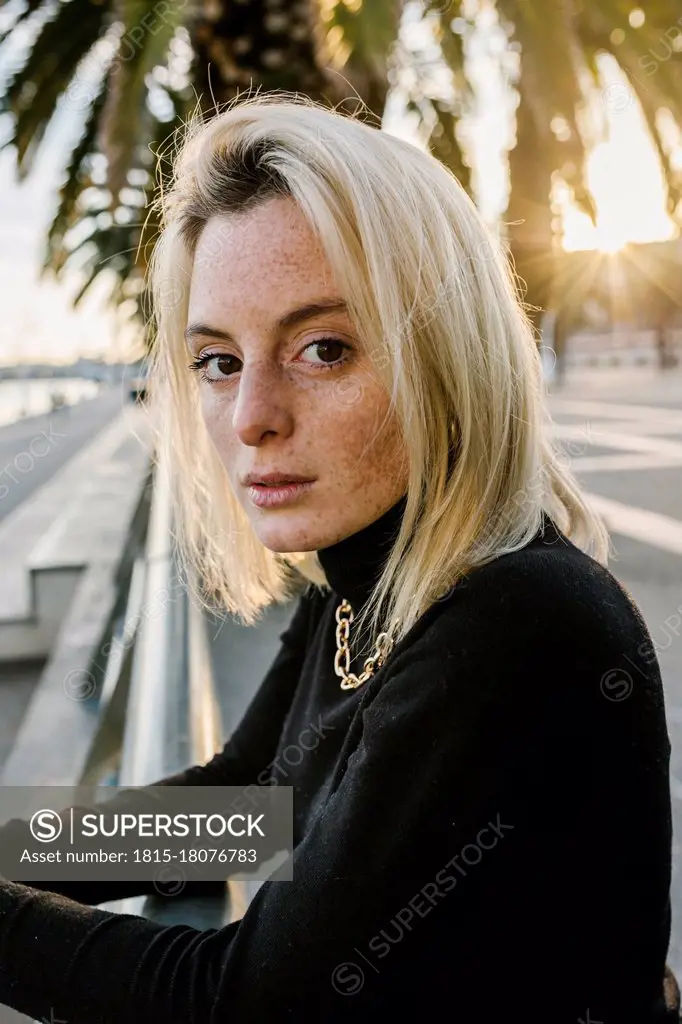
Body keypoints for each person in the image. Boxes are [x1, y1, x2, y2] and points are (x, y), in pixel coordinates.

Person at [0, 92, 678, 1024]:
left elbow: (254, 1001)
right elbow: (243, 805)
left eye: (323, 348)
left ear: (448, 354)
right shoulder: (362, 582)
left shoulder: (517, 621)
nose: (250, 419)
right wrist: (14, 848)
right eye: (218, 360)